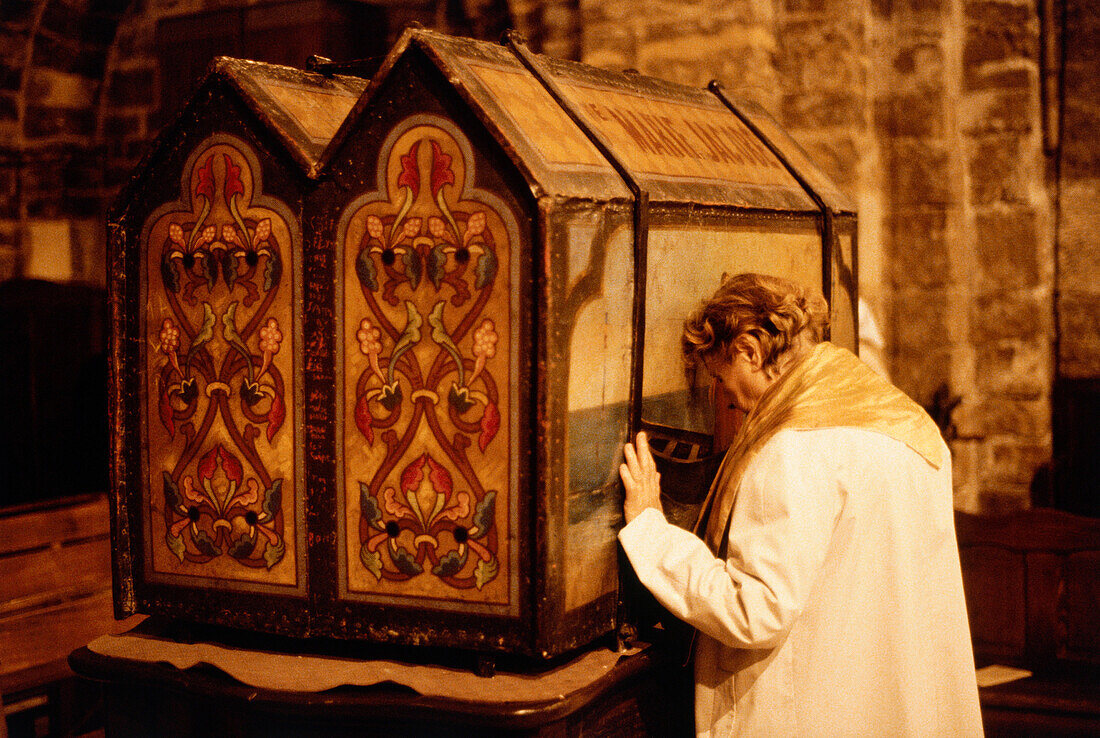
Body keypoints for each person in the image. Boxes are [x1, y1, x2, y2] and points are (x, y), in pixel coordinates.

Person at [618, 273, 982, 737]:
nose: (727, 398)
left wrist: (652, 531)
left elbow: (754, 610)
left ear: (749, 350)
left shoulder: (793, 448)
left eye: (720, 377)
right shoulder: (904, 421)